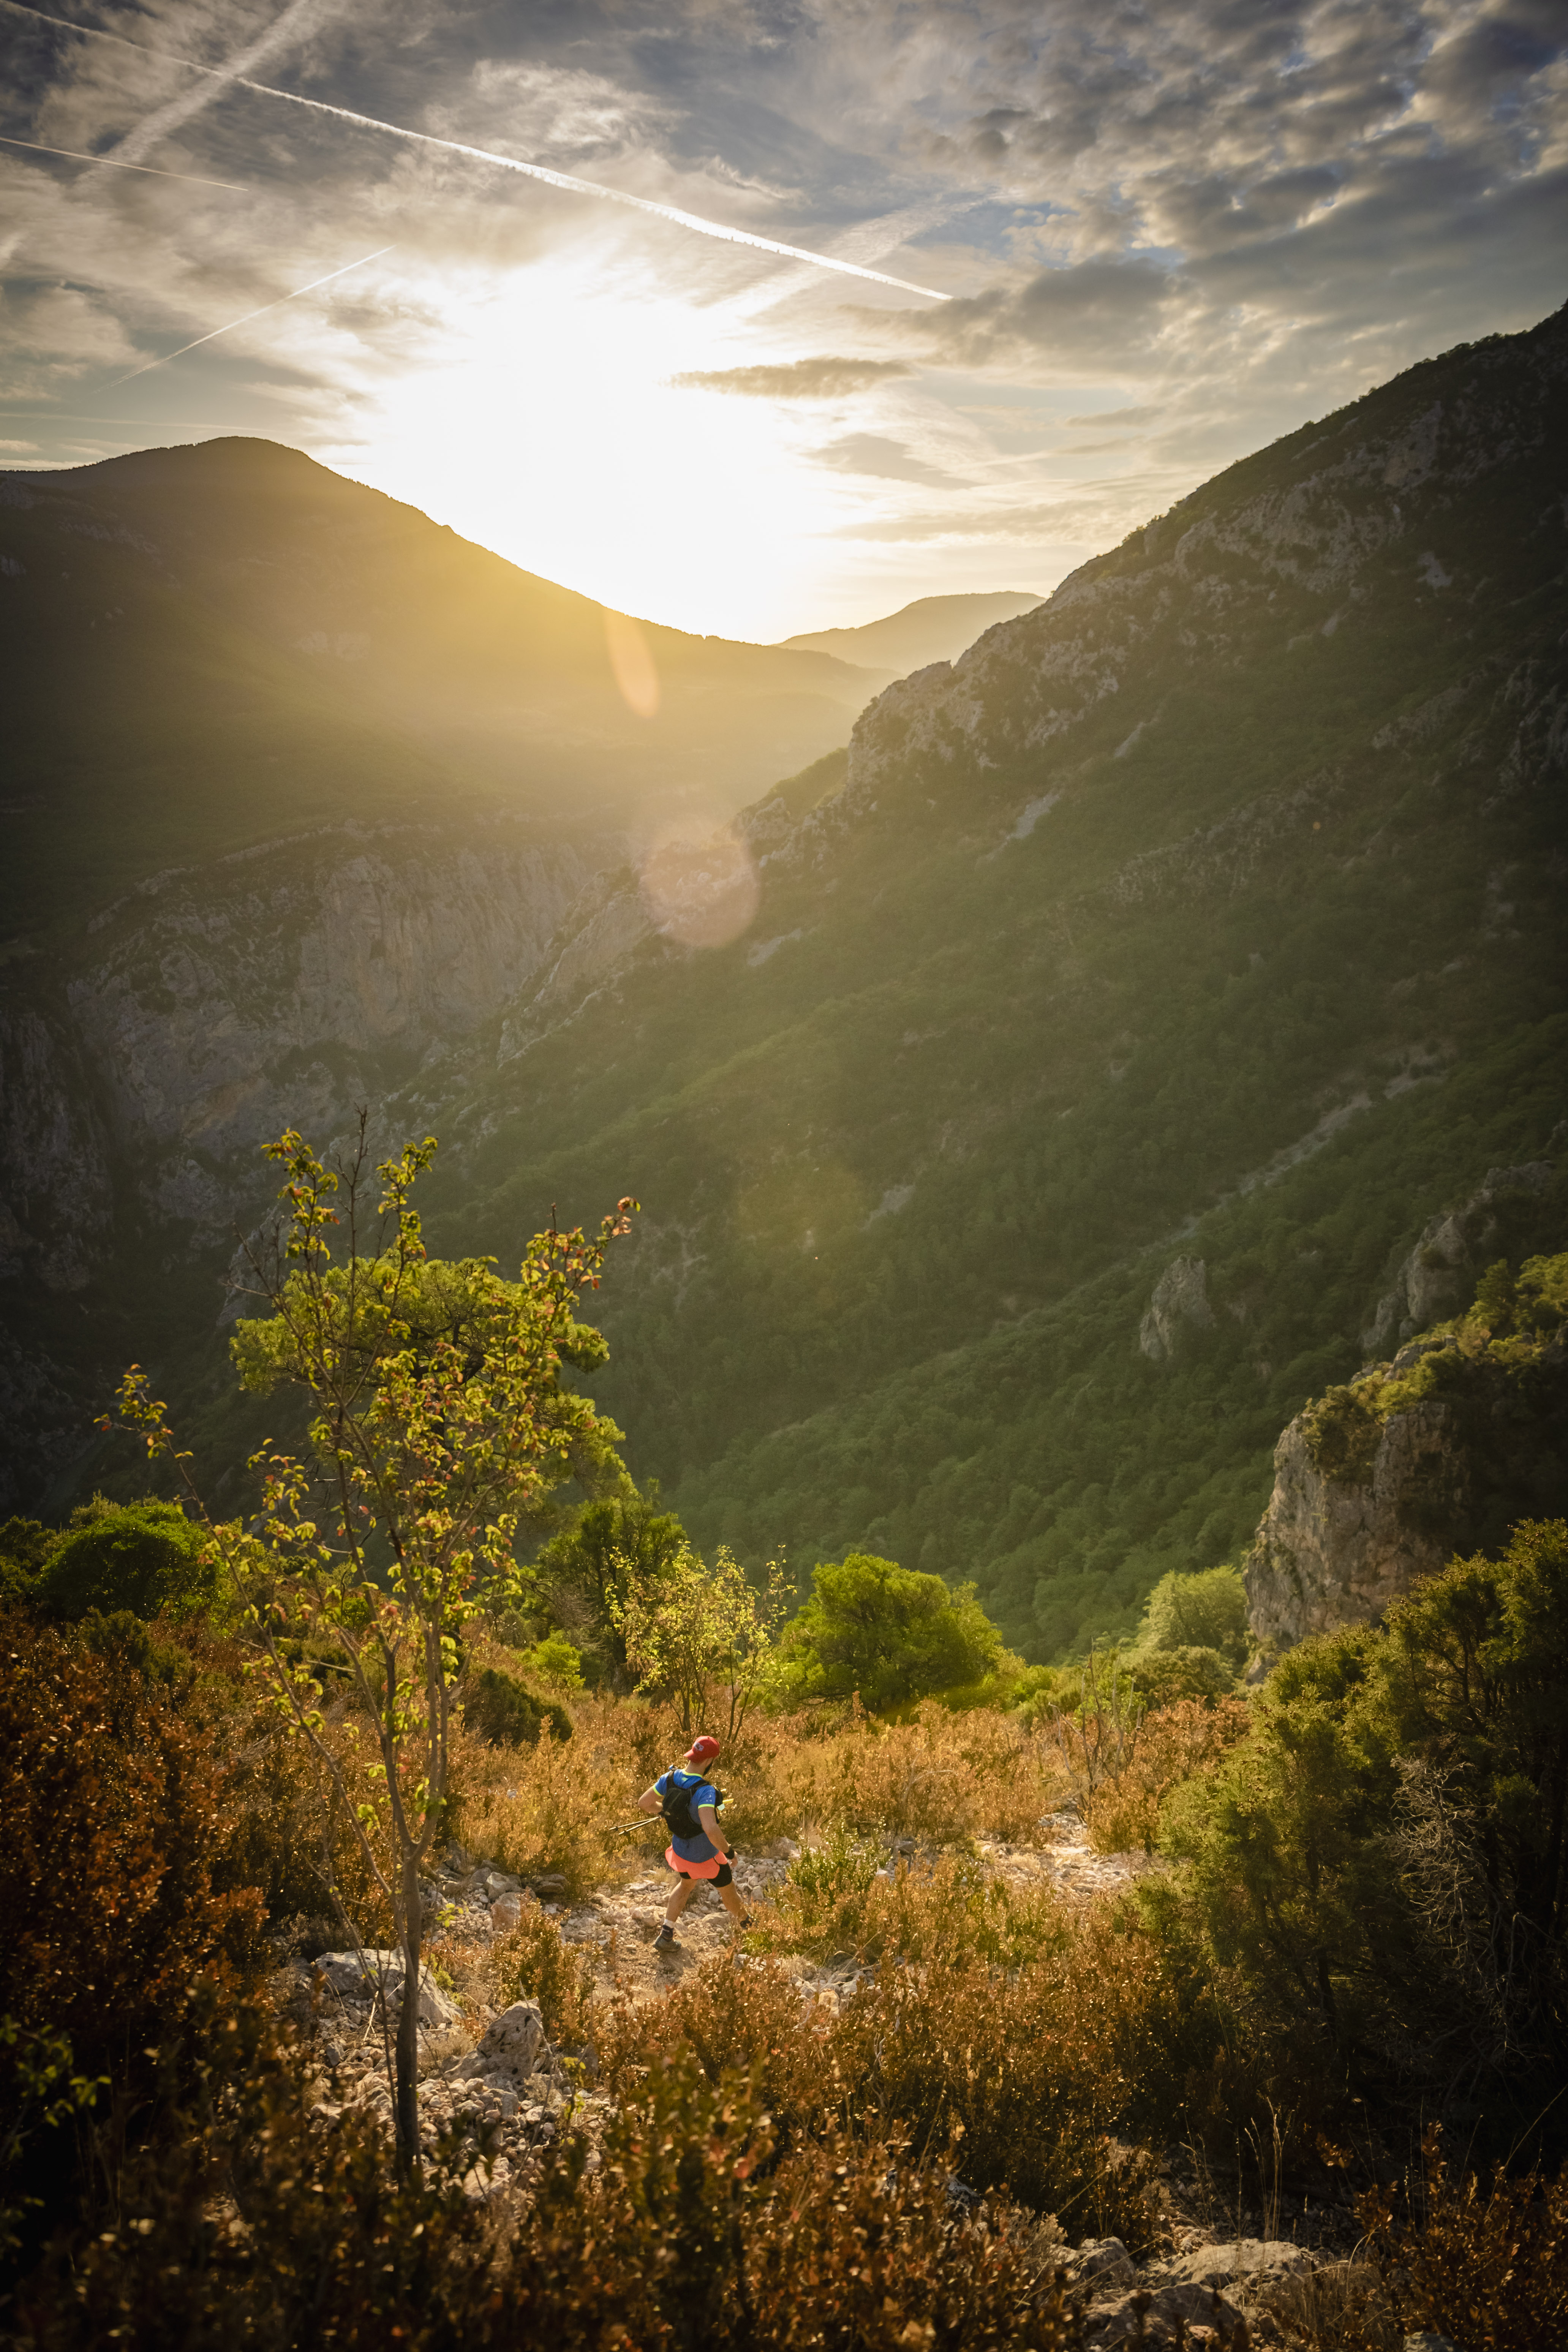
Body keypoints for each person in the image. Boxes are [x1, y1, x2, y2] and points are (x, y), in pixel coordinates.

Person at [637, 1734, 750, 1950]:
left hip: (682, 1853)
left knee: (686, 1885)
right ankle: (749, 1925)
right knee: (729, 1892)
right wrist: (729, 1852)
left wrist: (665, 1811)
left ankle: (666, 1934)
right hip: (705, 1857)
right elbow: (711, 1828)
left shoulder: (669, 1779)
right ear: (709, 1761)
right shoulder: (705, 1791)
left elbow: (644, 1803)